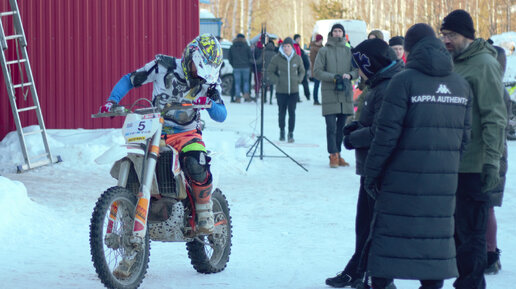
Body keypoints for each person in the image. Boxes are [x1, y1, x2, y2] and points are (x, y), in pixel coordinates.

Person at [361, 23, 473, 289]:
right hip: (442, 186)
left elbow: (385, 136)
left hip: (400, 183)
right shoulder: (460, 85)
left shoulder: (403, 81)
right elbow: (464, 140)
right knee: (433, 250)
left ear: (408, 50)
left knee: (388, 245)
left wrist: (372, 174)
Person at [100, 34, 227, 235]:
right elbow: (130, 79)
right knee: (135, 159)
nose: (199, 75)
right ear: (190, 56)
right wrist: (112, 101)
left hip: (187, 134)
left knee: (196, 162)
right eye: (197, 68)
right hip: (153, 128)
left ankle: (204, 213)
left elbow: (222, 114)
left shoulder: (209, 83)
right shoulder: (162, 67)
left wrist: (210, 104)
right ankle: (133, 205)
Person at [324, 38, 402, 288]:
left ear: (371, 65)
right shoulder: (378, 84)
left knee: (373, 226)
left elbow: (384, 130)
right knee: (363, 224)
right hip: (369, 166)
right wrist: (357, 126)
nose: (358, 71)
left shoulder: (389, 86)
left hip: (380, 168)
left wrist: (353, 138)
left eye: (360, 66)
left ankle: (372, 275)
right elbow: (373, 122)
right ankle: (358, 269)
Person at [440, 10, 507, 289]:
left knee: (471, 237)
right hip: (454, 162)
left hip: (475, 164)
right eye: (443, 35)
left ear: (467, 35)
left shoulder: (483, 64)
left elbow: (495, 116)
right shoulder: (453, 63)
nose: (446, 40)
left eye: (451, 35)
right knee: (456, 235)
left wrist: (492, 162)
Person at [313, 23, 358, 168]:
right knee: (331, 126)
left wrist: (349, 75)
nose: (337, 33)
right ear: (331, 33)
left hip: (345, 93)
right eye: (335, 31)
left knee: (341, 128)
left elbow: (356, 71)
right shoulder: (324, 51)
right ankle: (332, 154)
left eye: (340, 31)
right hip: (330, 92)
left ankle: (338, 154)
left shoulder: (349, 51)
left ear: (343, 34)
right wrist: (334, 77)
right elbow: (317, 71)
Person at [484, 45, 511, 275]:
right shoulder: (499, 89)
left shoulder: (496, 90)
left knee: (486, 206)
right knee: (486, 206)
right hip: (497, 153)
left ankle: (490, 254)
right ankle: (489, 253)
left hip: (492, 154)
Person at [267, 37, 305, 143]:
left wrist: (299, 80)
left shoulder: (297, 58)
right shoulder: (277, 58)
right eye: (284, 46)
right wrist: (277, 81)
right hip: (281, 91)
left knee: (292, 112)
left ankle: (291, 133)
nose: (286, 48)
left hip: (293, 91)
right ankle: (282, 131)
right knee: (282, 112)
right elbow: (270, 71)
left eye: (288, 46)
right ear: (282, 47)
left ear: (292, 47)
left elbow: (302, 71)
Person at [229, 33, 252, 102]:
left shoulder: (233, 46)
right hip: (246, 67)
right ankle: (246, 96)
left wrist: (233, 64)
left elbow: (229, 57)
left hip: (236, 67)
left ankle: (238, 97)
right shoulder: (246, 46)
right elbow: (250, 56)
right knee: (246, 82)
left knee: (237, 83)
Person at [293, 34, 311, 101]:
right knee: (297, 82)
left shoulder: (298, 47)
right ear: (295, 39)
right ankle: (297, 97)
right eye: (298, 39)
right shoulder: (294, 47)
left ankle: (307, 95)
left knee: (304, 82)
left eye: (299, 39)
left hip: (301, 67)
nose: (299, 40)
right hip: (297, 67)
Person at [309, 34, 323, 105]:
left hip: (322, 69)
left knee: (322, 86)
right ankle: (315, 100)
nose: (321, 41)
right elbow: (312, 60)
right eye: (321, 40)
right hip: (316, 69)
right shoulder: (313, 48)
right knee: (316, 85)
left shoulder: (322, 47)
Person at [262, 39, 277, 104]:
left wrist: (252, 61)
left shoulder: (264, 53)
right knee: (271, 86)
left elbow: (259, 61)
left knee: (264, 86)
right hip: (272, 72)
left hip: (265, 71)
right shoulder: (275, 54)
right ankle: (270, 100)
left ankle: (264, 99)